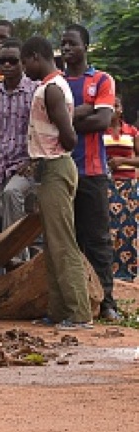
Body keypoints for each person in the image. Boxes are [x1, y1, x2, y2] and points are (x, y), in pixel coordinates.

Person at [20, 36, 92, 328]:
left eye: (24, 62)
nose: (24, 68)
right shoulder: (51, 86)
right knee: (52, 242)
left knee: (62, 243)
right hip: (49, 168)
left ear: (36, 57)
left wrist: (51, 153)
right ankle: (60, 311)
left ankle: (78, 313)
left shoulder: (51, 89)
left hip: (56, 167)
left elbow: (70, 136)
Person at [61, 24, 120, 320]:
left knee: (96, 239)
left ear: (85, 46)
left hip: (92, 172)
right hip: (61, 171)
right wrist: (85, 110)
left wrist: (66, 124)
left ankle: (107, 301)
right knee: (67, 239)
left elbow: (103, 121)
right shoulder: (55, 81)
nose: (67, 48)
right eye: (63, 44)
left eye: (72, 43)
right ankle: (77, 301)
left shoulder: (101, 80)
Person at [0, 39, 36, 238]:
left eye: (12, 61)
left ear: (23, 62)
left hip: (29, 166)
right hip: (1, 165)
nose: (7, 65)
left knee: (14, 196)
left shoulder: (35, 91)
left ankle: (17, 259)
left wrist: (33, 159)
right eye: (2, 61)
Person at [105, 98, 138, 281]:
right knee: (108, 226)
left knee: (128, 227)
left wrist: (122, 161)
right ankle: (107, 270)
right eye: (109, 106)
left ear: (121, 109)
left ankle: (126, 272)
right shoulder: (98, 132)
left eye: (116, 105)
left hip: (128, 184)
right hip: (106, 184)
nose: (112, 109)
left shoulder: (131, 132)